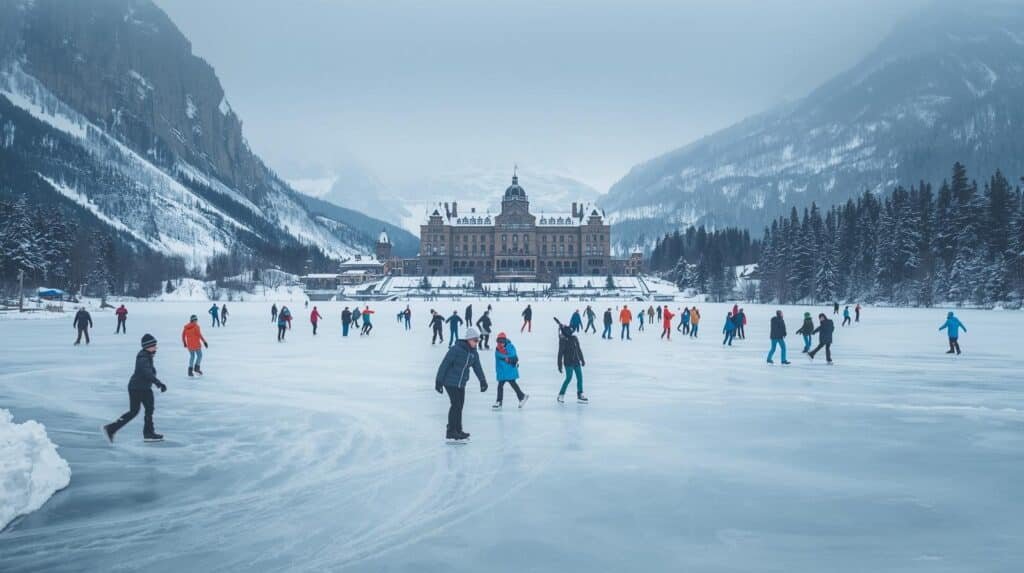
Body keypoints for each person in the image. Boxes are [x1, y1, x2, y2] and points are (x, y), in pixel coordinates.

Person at [102, 334, 167, 443]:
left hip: (141, 387)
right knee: (136, 411)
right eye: (154, 346)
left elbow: (149, 373)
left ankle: (147, 433)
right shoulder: (143, 358)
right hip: (138, 388)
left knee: (147, 409)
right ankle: (112, 428)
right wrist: (158, 383)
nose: (156, 348)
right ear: (148, 346)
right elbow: (147, 373)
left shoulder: (146, 356)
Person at [434, 326, 487, 443]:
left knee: (460, 406)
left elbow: (477, 367)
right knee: (456, 405)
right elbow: (445, 364)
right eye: (475, 340)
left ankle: (458, 430)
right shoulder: (456, 349)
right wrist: (439, 381)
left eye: (478, 340)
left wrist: (482, 381)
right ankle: (451, 432)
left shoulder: (473, 353)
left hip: (461, 383)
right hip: (450, 382)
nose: (477, 343)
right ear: (468, 339)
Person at [492, 332, 528, 409]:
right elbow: (499, 356)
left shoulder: (510, 347)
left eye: (502, 341)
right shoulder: (497, 350)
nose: (500, 343)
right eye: (499, 341)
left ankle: (521, 397)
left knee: (511, 384)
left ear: (505, 341)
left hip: (509, 371)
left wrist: (507, 358)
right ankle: (521, 397)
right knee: (502, 385)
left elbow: (513, 356)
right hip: (502, 371)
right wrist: (506, 358)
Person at [557, 324, 588, 404]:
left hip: (576, 361)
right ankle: (561, 394)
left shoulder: (574, 338)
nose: (571, 331)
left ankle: (580, 394)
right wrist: (559, 365)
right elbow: (560, 353)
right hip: (568, 362)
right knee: (569, 378)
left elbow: (578, 349)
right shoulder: (563, 340)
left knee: (580, 378)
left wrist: (582, 359)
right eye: (569, 330)